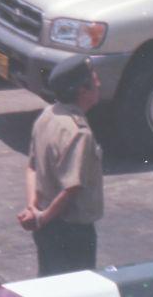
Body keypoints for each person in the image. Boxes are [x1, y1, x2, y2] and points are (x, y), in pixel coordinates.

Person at [17, 56, 105, 276]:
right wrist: (42, 218)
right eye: (94, 81)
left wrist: (33, 209)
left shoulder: (48, 115)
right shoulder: (79, 133)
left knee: (48, 284)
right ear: (82, 91)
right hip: (71, 232)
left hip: (46, 225)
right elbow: (71, 189)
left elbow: (32, 167)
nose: (99, 84)